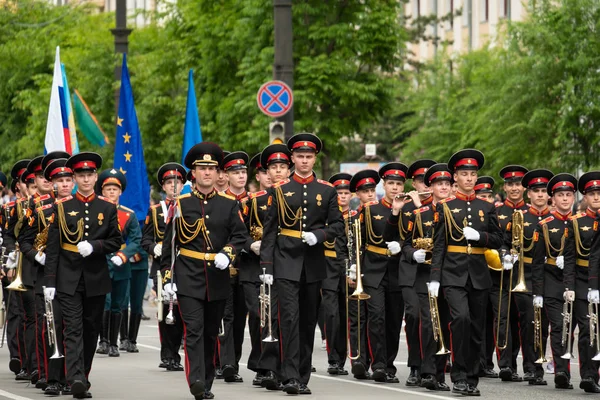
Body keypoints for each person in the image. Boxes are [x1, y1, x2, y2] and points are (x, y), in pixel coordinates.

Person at [161, 142, 247, 400]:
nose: (207, 173)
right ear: (194, 173)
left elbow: (239, 235)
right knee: (194, 330)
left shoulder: (230, 204)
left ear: (218, 173)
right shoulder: (181, 204)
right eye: (202, 168)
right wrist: (168, 277)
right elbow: (170, 244)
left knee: (211, 332)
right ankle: (196, 380)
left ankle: (207, 381)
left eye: (212, 168)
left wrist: (228, 254)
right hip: (188, 275)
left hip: (217, 276)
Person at [260, 133, 344, 395]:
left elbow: (338, 225)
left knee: (308, 321)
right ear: (292, 158)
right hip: (286, 261)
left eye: (309, 156)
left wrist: (319, 235)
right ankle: (289, 375)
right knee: (289, 319)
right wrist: (267, 267)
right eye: (300, 156)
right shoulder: (280, 190)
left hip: (314, 263)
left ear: (314, 158)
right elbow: (270, 230)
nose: (305, 161)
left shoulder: (327, 190)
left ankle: (302, 375)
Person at [43, 152, 123, 399]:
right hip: (68, 275)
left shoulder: (107, 207)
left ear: (96, 177)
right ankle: (75, 378)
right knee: (73, 329)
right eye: (81, 175)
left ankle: (83, 375)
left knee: (91, 330)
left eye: (90, 175)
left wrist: (96, 246)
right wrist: (50, 281)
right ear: (75, 178)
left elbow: (116, 240)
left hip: (96, 277)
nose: (86, 179)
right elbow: (53, 247)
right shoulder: (62, 206)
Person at [429, 149, 504, 396]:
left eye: (473, 174)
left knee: (476, 328)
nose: (469, 178)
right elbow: (439, 243)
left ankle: (472, 378)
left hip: (479, 274)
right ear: (455, 177)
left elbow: (498, 239)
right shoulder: (446, 207)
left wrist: (480, 237)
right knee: (460, 319)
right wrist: (435, 278)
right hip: (452, 273)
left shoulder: (487, 206)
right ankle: (458, 375)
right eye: (464, 174)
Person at [402, 163, 453, 391]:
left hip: (451, 275)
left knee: (447, 324)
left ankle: (440, 372)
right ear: (430, 187)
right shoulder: (419, 213)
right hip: (424, 275)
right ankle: (428, 372)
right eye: (438, 183)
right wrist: (415, 254)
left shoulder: (459, 210)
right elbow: (404, 244)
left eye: (447, 184)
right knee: (428, 324)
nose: (443, 187)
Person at [531, 172, 577, 390]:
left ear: (574, 197)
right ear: (553, 198)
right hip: (552, 281)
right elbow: (537, 261)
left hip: (578, 282)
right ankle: (562, 371)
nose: (565, 199)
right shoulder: (546, 224)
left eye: (568, 194)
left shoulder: (583, 222)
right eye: (560, 195)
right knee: (559, 328)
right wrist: (537, 292)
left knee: (580, 327)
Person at [141, 162, 186, 371]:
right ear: (164, 186)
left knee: (182, 311)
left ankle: (179, 350)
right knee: (164, 311)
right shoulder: (156, 210)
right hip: (163, 267)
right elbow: (145, 239)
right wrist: (154, 248)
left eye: (177, 182)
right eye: (169, 183)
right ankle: (168, 354)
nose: (174, 186)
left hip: (186, 265)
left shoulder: (188, 205)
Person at [95, 168, 142, 358]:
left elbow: (136, 240)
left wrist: (123, 255)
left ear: (121, 191)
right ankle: (103, 340)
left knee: (118, 302)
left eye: (115, 189)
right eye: (108, 189)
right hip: (101, 259)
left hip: (121, 262)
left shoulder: (128, 215)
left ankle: (114, 343)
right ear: (102, 191)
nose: (112, 192)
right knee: (103, 302)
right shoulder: (96, 211)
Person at [515, 169, 553, 386]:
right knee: (530, 321)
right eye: (536, 191)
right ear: (528, 193)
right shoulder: (520, 216)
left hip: (550, 275)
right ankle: (530, 367)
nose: (540, 195)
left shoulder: (555, 218)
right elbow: (507, 242)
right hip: (526, 274)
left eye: (543, 191)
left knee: (544, 322)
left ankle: (538, 366)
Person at [492, 165, 530, 382]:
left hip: (526, 273)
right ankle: (506, 364)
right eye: (510, 184)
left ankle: (528, 366)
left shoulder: (531, 213)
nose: (514, 188)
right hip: (502, 273)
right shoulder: (497, 212)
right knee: (503, 318)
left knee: (523, 320)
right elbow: (494, 239)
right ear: (505, 187)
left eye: (518, 184)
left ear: (524, 187)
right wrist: (503, 253)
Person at [564, 171, 600, 393]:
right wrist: (569, 286)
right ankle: (588, 375)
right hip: (582, 281)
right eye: (592, 194)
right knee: (588, 329)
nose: (597, 197)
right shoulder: (576, 222)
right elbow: (570, 258)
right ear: (585, 197)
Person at [218, 151, 250, 383]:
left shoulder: (257, 200)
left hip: (248, 267)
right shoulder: (220, 202)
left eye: (243, 172)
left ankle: (234, 361)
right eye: (235, 172)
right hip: (224, 265)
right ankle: (226, 362)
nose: (240, 176)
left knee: (240, 317)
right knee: (225, 315)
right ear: (226, 176)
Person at [322, 172, 352, 376]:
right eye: (338, 193)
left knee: (346, 313)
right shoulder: (325, 218)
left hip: (349, 269)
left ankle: (345, 357)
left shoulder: (357, 216)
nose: (342, 196)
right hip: (329, 268)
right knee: (332, 314)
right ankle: (334, 359)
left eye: (346, 192)